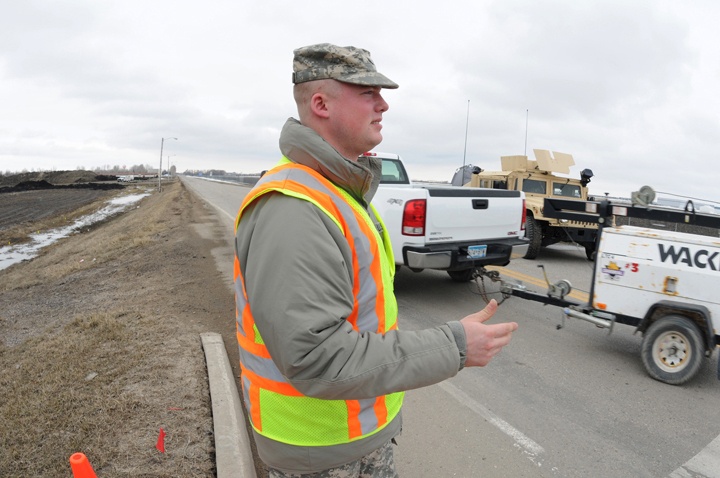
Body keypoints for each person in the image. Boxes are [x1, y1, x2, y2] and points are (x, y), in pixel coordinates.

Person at [233, 43, 518, 477]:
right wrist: (454, 345)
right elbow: (316, 357)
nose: (383, 104)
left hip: (352, 440)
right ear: (321, 103)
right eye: (367, 92)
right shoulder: (294, 206)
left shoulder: (341, 192)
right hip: (319, 452)